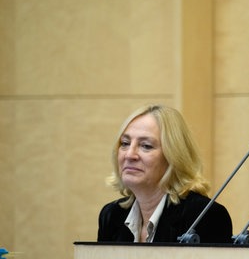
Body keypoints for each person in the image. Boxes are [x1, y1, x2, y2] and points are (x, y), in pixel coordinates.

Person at [97, 104, 233, 243]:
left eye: (146, 146)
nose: (130, 155)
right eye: (125, 143)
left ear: (173, 156)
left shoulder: (202, 216)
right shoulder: (111, 215)